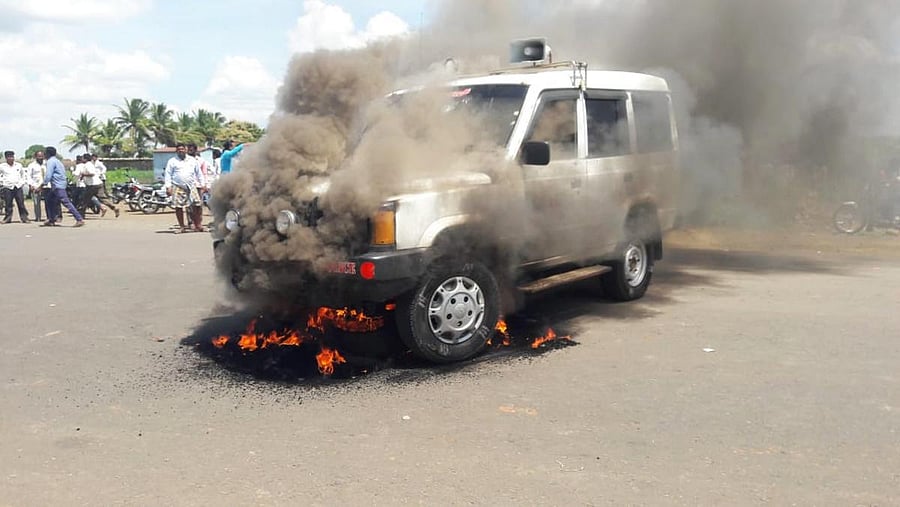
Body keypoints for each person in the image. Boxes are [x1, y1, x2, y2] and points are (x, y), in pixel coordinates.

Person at [164, 143, 204, 233]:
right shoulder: (172, 161)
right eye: (179, 149)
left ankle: (198, 225)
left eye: (182, 149)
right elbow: (168, 174)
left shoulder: (192, 160)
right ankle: (182, 227)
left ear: (186, 150)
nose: (181, 151)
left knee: (197, 205)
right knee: (178, 207)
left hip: (191, 186)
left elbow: (199, 173)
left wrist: (203, 184)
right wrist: (168, 187)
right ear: (176, 151)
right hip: (178, 186)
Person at [42, 146, 83, 227]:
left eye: (45, 153)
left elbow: (48, 175)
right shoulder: (58, 161)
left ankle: (79, 219)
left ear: (48, 154)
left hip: (58, 185)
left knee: (66, 202)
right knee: (49, 200)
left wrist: (43, 184)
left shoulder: (50, 162)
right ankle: (51, 219)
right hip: (59, 184)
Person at [0, 150, 30, 223]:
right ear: (6, 158)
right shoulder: (2, 166)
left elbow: (23, 175)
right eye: (9, 157)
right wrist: (2, 182)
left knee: (21, 203)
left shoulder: (18, 165)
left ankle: (24, 217)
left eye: (12, 157)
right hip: (8, 186)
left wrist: (22, 182)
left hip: (18, 186)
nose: (11, 158)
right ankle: (8, 218)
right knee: (8, 204)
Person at [26, 151, 47, 222]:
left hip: (46, 186)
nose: (40, 158)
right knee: (36, 203)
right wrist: (31, 185)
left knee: (48, 202)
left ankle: (49, 217)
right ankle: (38, 217)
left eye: (42, 156)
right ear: (35, 157)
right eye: (39, 156)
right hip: (36, 186)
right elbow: (29, 176)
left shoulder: (46, 164)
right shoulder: (31, 165)